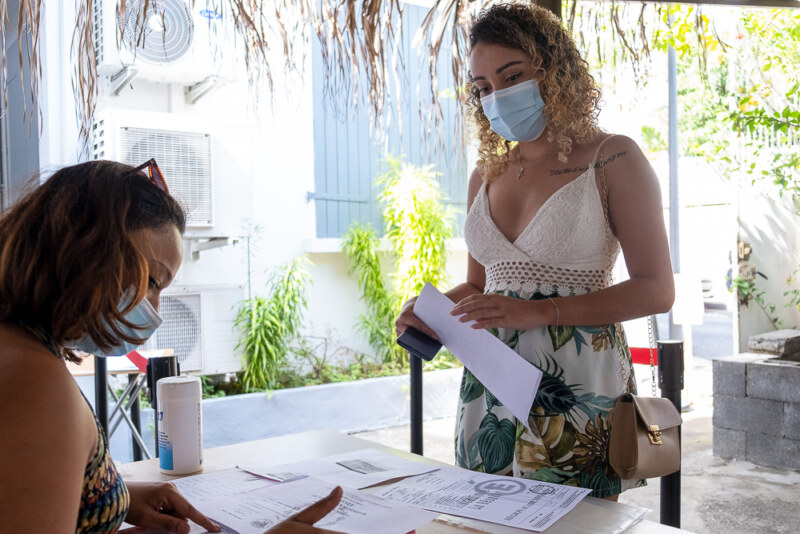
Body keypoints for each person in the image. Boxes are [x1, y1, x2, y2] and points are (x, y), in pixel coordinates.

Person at [396, 3, 675, 500]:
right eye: (483, 88)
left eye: (512, 76)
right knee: (485, 520)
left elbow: (657, 290)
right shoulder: (486, 174)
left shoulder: (613, 157)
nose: (497, 96)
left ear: (553, 67)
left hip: (576, 386)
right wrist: (429, 313)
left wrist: (539, 311)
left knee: (579, 524)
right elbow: (483, 287)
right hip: (489, 386)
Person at [0, 160, 343, 533]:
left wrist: (113, 498)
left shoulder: (18, 347)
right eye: (151, 279)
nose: (154, 309)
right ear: (84, 245)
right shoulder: (34, 384)